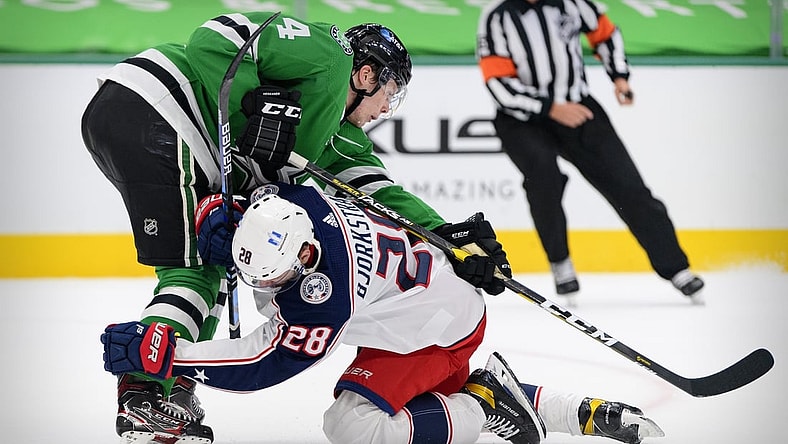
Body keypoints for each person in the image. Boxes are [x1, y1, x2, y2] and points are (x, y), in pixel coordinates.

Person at [82, 11, 510, 443]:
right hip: (157, 108)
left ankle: (172, 385)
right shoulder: (330, 56)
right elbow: (216, 37)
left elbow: (379, 192)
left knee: (214, 264)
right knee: (193, 274)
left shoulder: (337, 139)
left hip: (146, 124)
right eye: (389, 92)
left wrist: (448, 237)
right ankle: (144, 390)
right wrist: (251, 105)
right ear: (365, 74)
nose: (384, 109)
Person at [101, 182, 665, 444]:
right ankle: (576, 413)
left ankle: (480, 403)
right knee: (415, 393)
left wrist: (170, 356)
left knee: (351, 427)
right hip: (419, 311)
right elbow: (259, 209)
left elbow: (262, 364)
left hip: (431, 334)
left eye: (276, 275)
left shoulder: (326, 295)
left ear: (304, 255)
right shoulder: (299, 203)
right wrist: (227, 224)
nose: (269, 284)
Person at [476, 0, 705, 304]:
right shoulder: (496, 16)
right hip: (522, 120)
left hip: (578, 107)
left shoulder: (573, 3)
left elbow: (606, 34)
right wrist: (551, 108)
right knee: (543, 176)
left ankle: (676, 268)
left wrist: (619, 76)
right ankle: (560, 261)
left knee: (628, 186)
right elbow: (498, 84)